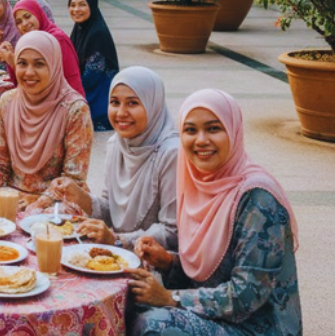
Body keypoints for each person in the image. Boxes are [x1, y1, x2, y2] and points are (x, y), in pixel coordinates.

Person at [128, 89, 301, 336]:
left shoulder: (258, 198)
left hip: (256, 327)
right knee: (128, 298)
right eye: (190, 130)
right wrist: (168, 262)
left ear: (233, 131)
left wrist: (170, 297)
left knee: (155, 326)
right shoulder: (198, 183)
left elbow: (247, 295)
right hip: (216, 315)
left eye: (213, 129)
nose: (200, 140)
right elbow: (209, 274)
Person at [48, 67, 178, 249]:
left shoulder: (171, 154)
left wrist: (118, 241)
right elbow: (111, 210)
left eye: (132, 103)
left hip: (155, 262)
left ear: (152, 104)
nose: (121, 113)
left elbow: (171, 232)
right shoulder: (116, 144)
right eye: (115, 102)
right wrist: (81, 197)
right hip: (117, 251)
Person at [0, 32, 93, 215]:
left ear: (54, 65)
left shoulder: (74, 109)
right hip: (12, 199)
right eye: (22, 63)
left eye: (39, 64)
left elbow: (72, 180)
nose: (29, 72)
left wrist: (38, 202)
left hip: (57, 203)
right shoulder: (8, 101)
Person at [0, 0, 84, 96]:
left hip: (63, 100)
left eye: (27, 16)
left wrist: (13, 62)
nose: (24, 24)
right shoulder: (28, 42)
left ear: (37, 14)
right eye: (19, 22)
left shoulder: (57, 39)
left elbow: (70, 77)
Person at [69, 0, 119, 131]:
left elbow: (92, 75)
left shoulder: (97, 34)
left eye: (82, 5)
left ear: (92, 6)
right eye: (72, 5)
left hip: (98, 96)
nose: (76, 9)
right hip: (86, 86)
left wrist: (69, 89)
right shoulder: (79, 29)